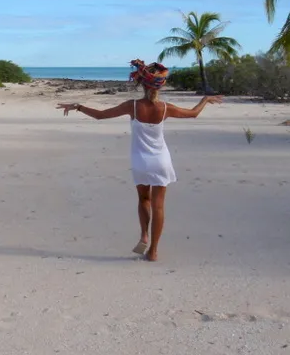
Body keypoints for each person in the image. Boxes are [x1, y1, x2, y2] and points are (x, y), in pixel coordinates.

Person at [56, 59, 222, 261]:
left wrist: (78, 106)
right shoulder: (165, 108)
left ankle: (144, 234)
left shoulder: (132, 106)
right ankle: (153, 251)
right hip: (161, 161)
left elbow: (100, 115)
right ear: (160, 85)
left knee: (144, 199)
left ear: (142, 83)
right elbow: (193, 114)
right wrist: (205, 99)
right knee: (158, 206)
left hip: (140, 161)